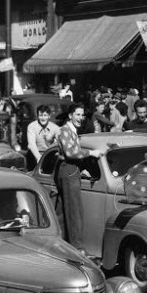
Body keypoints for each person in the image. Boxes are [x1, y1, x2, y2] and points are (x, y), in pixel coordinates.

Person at [56, 104, 103, 250]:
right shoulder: (65, 130)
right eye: (77, 115)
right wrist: (91, 153)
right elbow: (70, 153)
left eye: (82, 115)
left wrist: (82, 169)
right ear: (70, 115)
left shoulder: (72, 131)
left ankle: (64, 245)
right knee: (74, 211)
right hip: (68, 169)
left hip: (72, 169)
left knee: (67, 210)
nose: (80, 118)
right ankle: (77, 248)